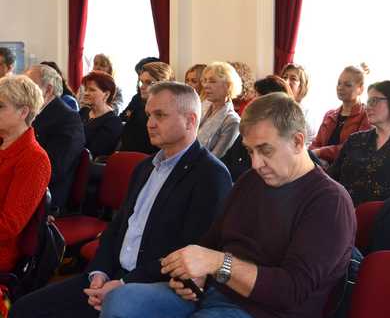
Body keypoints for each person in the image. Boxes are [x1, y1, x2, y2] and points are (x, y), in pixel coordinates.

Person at [98, 92, 356, 318]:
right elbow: (212, 240)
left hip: (265, 311)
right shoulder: (252, 181)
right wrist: (194, 276)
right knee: (120, 301)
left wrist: (219, 265)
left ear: (298, 142)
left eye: (265, 150)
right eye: (250, 151)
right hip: (214, 293)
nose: (256, 163)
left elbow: (291, 291)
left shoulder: (329, 202)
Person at [10, 82, 233, 318]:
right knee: (25, 309)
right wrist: (99, 273)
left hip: (154, 285)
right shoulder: (146, 167)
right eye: (149, 115)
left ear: (190, 120)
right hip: (112, 275)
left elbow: (190, 251)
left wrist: (124, 284)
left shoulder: (210, 175)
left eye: (160, 115)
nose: (150, 123)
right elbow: (117, 228)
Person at [0, 75, 51, 272]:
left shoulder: (34, 159)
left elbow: (9, 226)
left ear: (23, 112)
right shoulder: (3, 142)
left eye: (1, 106)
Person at [25, 64, 85, 211]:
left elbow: (54, 170)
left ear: (48, 90)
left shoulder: (68, 120)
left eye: (29, 87)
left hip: (48, 197)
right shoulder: (29, 113)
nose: (24, 92)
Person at [220, 75, 293, 181]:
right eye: (254, 96)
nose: (253, 101)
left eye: (258, 97)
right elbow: (226, 160)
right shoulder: (249, 131)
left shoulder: (283, 139)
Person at [311, 66, 371, 167]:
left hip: (346, 172)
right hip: (320, 167)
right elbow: (316, 143)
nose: (340, 87)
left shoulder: (366, 115)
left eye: (347, 85)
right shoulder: (329, 114)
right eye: (339, 83)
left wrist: (320, 152)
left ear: (360, 89)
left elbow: (354, 148)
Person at [120, 61, 174, 154]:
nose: (142, 87)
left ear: (163, 84)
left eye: (148, 83)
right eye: (141, 82)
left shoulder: (170, 108)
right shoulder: (137, 99)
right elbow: (122, 118)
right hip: (127, 154)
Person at [197, 61, 241, 158]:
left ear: (228, 86)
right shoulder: (201, 106)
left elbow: (216, 157)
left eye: (212, 81)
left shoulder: (232, 121)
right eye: (205, 80)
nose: (206, 85)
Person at [79, 71, 123, 157]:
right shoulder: (84, 111)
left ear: (106, 94)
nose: (86, 93)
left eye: (92, 90)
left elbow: (95, 152)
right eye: (86, 89)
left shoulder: (113, 122)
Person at [281, 62, 317, 145]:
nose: (286, 81)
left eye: (293, 79)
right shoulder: (277, 107)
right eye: (284, 77)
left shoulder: (307, 113)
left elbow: (309, 144)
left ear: (302, 86)